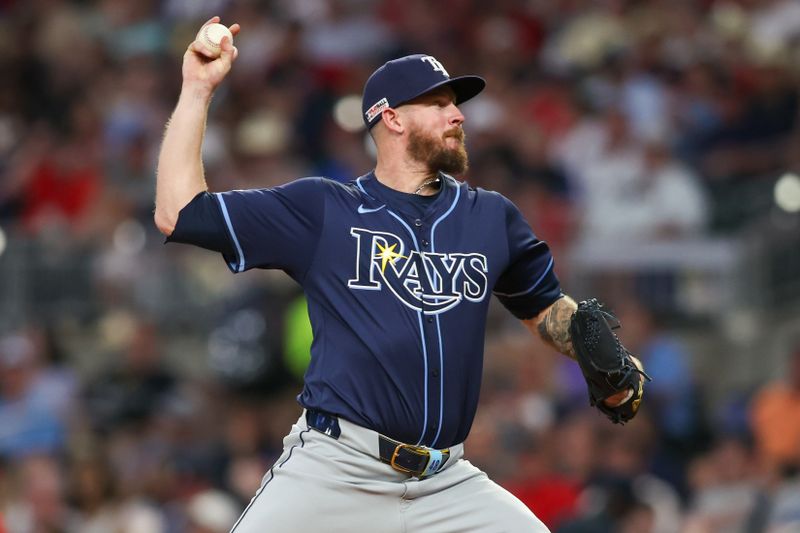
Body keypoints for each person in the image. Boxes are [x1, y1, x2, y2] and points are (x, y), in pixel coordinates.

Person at [154, 17, 646, 532]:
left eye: (455, 104)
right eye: (437, 104)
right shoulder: (324, 209)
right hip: (335, 470)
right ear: (390, 119)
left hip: (446, 480)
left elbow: (544, 308)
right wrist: (197, 89)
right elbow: (178, 211)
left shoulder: (490, 217)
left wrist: (609, 357)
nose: (456, 115)